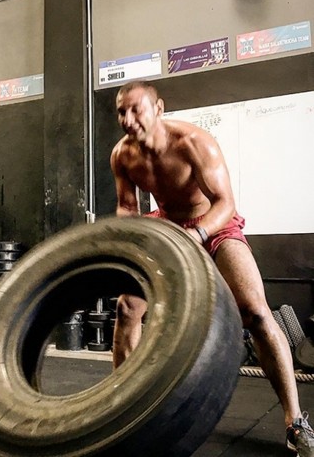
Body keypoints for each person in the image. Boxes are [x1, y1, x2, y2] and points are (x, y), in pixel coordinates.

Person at [110, 81, 314, 456]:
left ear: (158, 108)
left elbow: (225, 202)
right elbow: (127, 206)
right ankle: (125, 411)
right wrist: (129, 239)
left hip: (214, 223)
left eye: (136, 109)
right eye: (121, 112)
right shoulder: (122, 155)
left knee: (255, 312)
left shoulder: (193, 143)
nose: (127, 119)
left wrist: (199, 234)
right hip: (167, 226)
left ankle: (295, 421)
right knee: (126, 308)